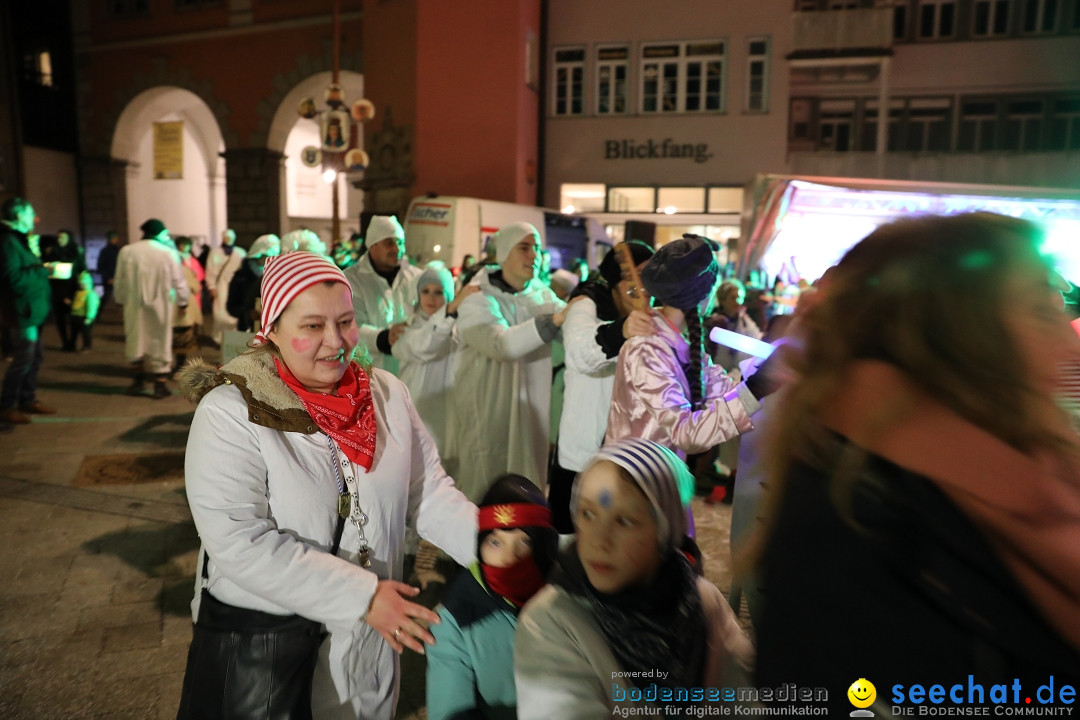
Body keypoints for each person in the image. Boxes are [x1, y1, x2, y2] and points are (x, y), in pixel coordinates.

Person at [751, 213, 1080, 715]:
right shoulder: (848, 521)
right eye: (1040, 306)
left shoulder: (1036, 463)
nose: (1068, 341)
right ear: (960, 333)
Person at [176, 251, 478, 720]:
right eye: (313, 326)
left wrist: (495, 550)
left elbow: (428, 491)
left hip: (370, 646)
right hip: (270, 651)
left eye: (346, 321)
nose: (336, 342)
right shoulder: (231, 413)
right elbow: (239, 541)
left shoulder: (386, 394)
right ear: (271, 327)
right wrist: (362, 596)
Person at [515, 438, 754, 719]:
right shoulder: (551, 621)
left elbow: (747, 700)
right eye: (588, 514)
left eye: (625, 520)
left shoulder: (703, 600)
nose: (598, 540)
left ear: (664, 530)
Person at [446, 222, 569, 503]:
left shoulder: (543, 295)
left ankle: (525, 545)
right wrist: (552, 322)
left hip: (528, 415)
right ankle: (470, 546)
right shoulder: (477, 296)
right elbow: (500, 345)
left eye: (537, 248)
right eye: (524, 248)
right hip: (486, 411)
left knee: (526, 491)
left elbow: (576, 331)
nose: (534, 256)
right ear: (504, 253)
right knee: (482, 488)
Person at [606, 234, 758, 458]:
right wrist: (757, 389)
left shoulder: (684, 343)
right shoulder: (646, 349)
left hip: (661, 475)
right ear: (704, 293)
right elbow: (685, 432)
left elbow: (722, 390)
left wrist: (756, 382)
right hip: (635, 480)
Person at [426, 473, 557, 720]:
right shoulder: (454, 619)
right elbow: (450, 711)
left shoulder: (572, 590)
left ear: (543, 546)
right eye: (495, 542)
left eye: (524, 541)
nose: (509, 558)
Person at [550, 241, 654, 532]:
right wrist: (621, 330)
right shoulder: (586, 305)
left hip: (627, 454)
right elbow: (581, 354)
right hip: (582, 454)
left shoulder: (652, 312)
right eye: (637, 275)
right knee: (570, 538)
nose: (644, 285)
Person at [394, 265, 476, 455]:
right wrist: (450, 312)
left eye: (439, 292)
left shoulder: (458, 329)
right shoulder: (405, 329)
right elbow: (425, 346)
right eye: (426, 291)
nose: (431, 298)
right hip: (417, 412)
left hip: (448, 416)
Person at [114, 218, 189, 400]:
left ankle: (138, 381)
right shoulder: (168, 253)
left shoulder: (127, 251)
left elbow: (120, 279)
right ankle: (159, 384)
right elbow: (178, 280)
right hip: (160, 304)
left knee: (135, 338)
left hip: (134, 304)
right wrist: (183, 301)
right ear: (160, 234)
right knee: (159, 339)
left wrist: (120, 300)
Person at [0, 197, 55, 425]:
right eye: (31, 213)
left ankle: (27, 398)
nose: (35, 217)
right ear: (18, 215)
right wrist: (41, 271)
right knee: (24, 357)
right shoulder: (8, 241)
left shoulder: (19, 240)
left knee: (35, 356)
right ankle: (6, 406)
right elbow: (12, 278)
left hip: (32, 311)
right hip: (23, 312)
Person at [343, 215, 422, 375]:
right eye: (389, 243)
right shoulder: (351, 280)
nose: (397, 249)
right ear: (372, 245)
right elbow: (348, 326)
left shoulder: (416, 277)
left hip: (412, 371)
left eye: (400, 242)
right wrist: (383, 338)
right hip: (372, 373)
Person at [227, 233, 281, 333]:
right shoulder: (241, 277)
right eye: (267, 256)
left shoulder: (276, 277)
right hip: (249, 332)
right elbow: (232, 306)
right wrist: (248, 314)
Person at [43, 229, 86, 352]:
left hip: (72, 288)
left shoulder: (76, 251)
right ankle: (65, 342)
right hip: (57, 289)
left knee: (74, 316)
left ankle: (73, 342)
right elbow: (46, 267)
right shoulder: (53, 252)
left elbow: (82, 268)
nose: (60, 240)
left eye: (63, 237)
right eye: (59, 238)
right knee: (60, 318)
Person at [205, 228, 246, 344]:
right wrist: (211, 286)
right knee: (220, 312)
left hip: (235, 287)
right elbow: (210, 270)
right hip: (221, 286)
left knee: (233, 313)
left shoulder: (240, 252)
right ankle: (219, 337)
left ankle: (233, 336)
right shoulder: (215, 252)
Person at [173, 237, 204, 371]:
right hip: (183, 309)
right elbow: (196, 285)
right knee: (182, 340)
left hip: (169, 310)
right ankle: (178, 367)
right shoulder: (185, 269)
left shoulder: (191, 261)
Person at [69, 271, 100, 354]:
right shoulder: (79, 293)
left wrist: (89, 317)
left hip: (84, 317)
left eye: (83, 283)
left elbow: (92, 307)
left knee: (86, 334)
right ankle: (72, 345)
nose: (82, 285)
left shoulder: (90, 294)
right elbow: (76, 303)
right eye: (81, 283)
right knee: (74, 333)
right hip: (76, 316)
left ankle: (87, 346)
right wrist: (70, 303)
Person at [97, 230, 122, 306]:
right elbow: (101, 266)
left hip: (117, 277)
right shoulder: (106, 251)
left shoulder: (118, 250)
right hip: (110, 278)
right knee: (107, 297)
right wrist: (108, 278)